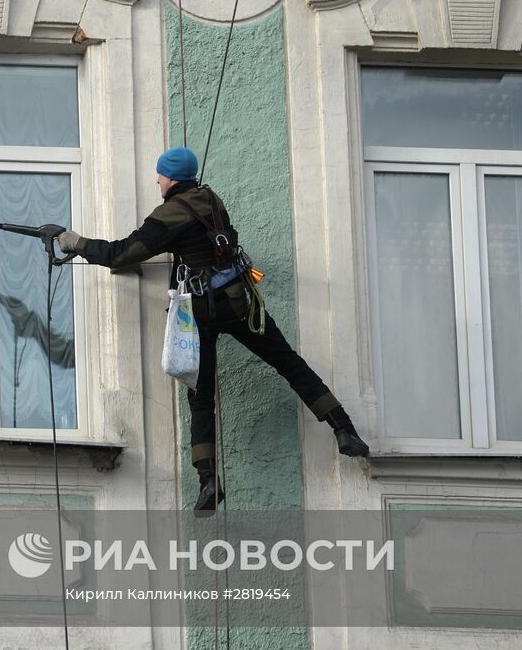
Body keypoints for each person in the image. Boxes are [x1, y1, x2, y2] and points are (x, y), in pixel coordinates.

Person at [54, 146, 368, 516]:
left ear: (170, 177)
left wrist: (74, 242)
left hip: (200, 313)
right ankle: (344, 429)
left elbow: (123, 253)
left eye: (160, 175)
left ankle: (208, 481)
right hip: (240, 301)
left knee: (200, 394)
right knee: (290, 363)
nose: (156, 180)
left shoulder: (168, 214)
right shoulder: (212, 200)